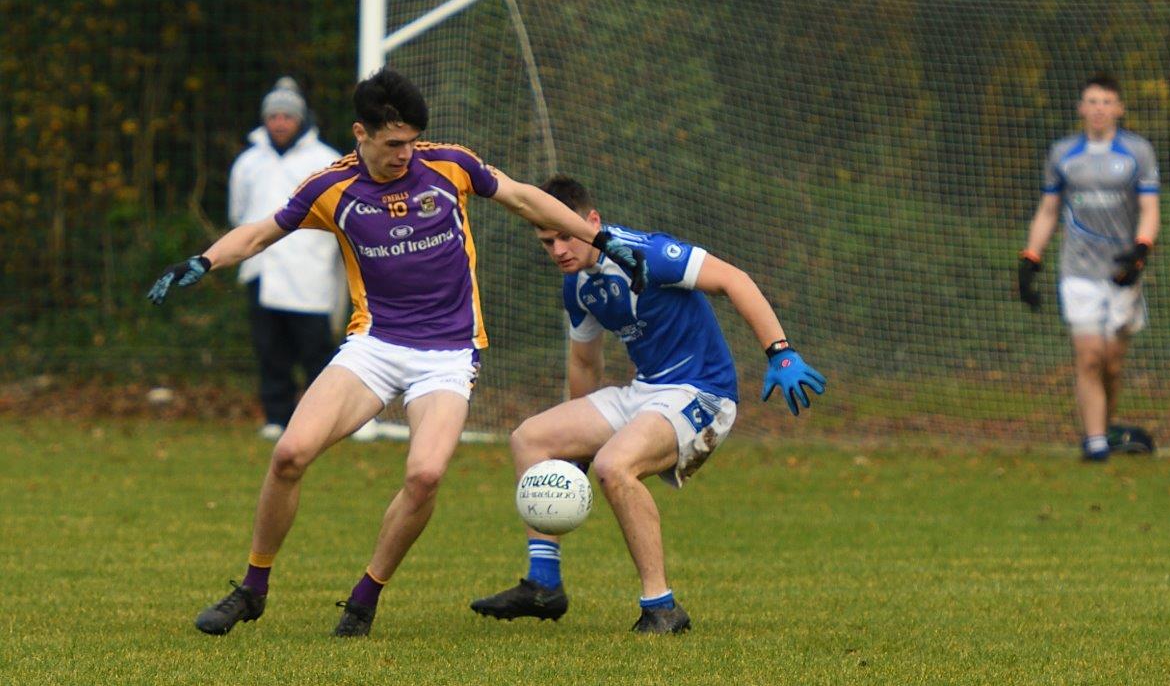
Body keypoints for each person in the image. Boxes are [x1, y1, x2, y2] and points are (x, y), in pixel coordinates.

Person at [146, 68, 648, 637]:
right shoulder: (330, 188)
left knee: (426, 475)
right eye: (392, 144)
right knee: (289, 454)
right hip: (375, 345)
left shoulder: (450, 164)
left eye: (411, 141)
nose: (405, 154)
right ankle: (252, 588)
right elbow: (260, 233)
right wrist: (204, 261)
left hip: (449, 354)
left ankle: (363, 599)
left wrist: (602, 240)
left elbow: (524, 198)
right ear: (361, 133)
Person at [469, 175, 826, 634]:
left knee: (615, 465)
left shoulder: (648, 254)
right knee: (530, 439)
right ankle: (543, 585)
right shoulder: (577, 285)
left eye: (565, 234)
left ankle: (661, 608)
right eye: (546, 241)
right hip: (646, 390)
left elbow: (734, 280)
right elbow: (584, 360)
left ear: (592, 221)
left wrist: (780, 351)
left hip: (702, 391)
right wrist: (575, 448)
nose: (558, 249)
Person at [1017, 73, 1160, 461]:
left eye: (1106, 102)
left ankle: (1107, 429)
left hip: (1121, 271)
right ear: (1081, 108)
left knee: (1112, 362)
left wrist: (1141, 252)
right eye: (1091, 102)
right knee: (1089, 356)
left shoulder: (1137, 153)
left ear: (1119, 108)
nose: (1098, 109)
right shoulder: (1063, 154)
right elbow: (1048, 210)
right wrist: (1030, 258)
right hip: (1077, 271)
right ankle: (1095, 443)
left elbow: (1149, 210)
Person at [227, 77, 347, 442]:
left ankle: (324, 420)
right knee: (270, 350)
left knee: (316, 350)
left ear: (300, 119)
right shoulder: (248, 162)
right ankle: (277, 417)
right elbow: (239, 214)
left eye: (286, 116)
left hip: (310, 272)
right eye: (273, 116)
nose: (279, 123)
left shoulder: (326, 160)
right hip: (262, 271)